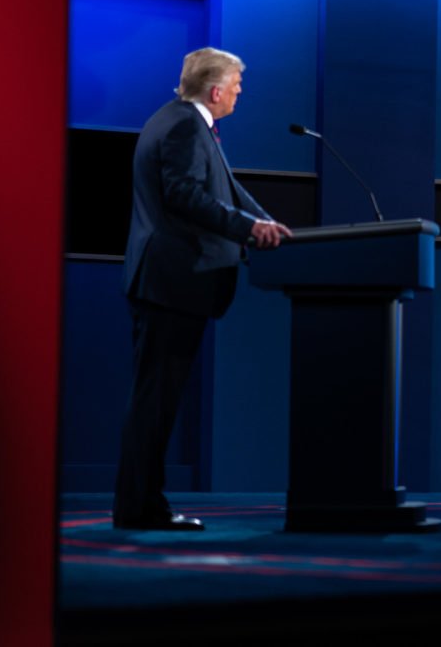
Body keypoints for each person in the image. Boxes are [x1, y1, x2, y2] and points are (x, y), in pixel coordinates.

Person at [113, 47, 291, 531]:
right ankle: (140, 508)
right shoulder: (184, 126)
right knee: (155, 399)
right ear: (216, 90)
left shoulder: (178, 122)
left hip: (169, 282)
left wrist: (261, 221)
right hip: (172, 282)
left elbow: (224, 191)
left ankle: (142, 505)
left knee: (156, 399)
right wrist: (250, 229)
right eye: (236, 85)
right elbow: (186, 194)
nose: (239, 92)